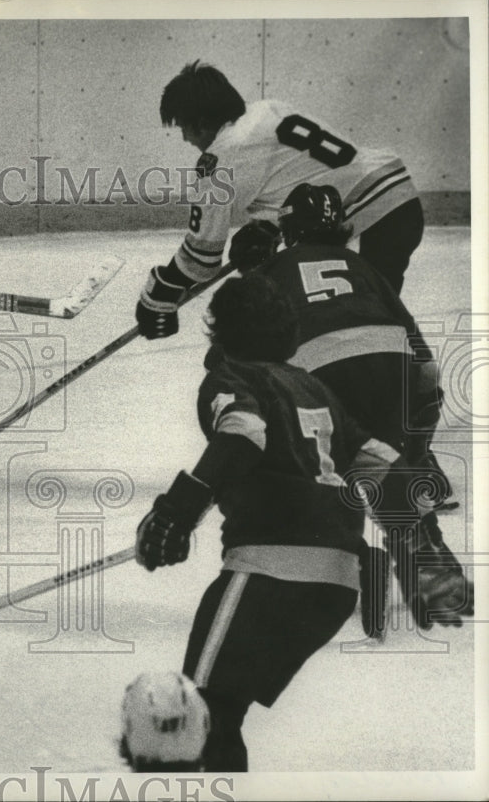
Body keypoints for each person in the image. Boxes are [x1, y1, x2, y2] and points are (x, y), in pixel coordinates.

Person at [131, 276, 469, 772]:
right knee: (220, 712)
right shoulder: (315, 388)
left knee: (200, 717)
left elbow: (243, 435)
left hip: (269, 574)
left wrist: (175, 514)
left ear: (218, 336)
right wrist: (424, 554)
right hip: (335, 584)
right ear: (291, 337)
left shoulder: (232, 378)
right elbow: (379, 464)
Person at [227, 183, 471, 636]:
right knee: (391, 473)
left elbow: (243, 340)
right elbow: (420, 355)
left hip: (322, 374)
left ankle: (359, 558)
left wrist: (247, 270)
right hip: (393, 365)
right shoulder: (362, 264)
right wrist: (416, 445)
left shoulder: (273, 268)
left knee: (321, 474)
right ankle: (432, 567)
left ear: (289, 229)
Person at [136, 61, 422, 342]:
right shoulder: (267, 109)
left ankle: (412, 383)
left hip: (377, 217)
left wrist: (162, 290)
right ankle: (419, 382)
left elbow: (202, 258)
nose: (185, 138)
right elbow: (298, 172)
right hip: (396, 197)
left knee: (370, 325)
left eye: (183, 127)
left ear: (200, 122)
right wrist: (270, 225)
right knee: (380, 315)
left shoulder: (222, 157)